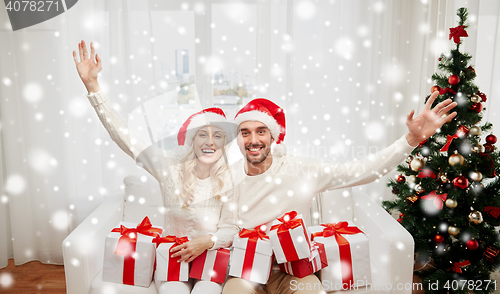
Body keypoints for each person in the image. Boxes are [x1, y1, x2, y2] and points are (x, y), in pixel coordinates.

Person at [223, 94, 457, 294]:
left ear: (272, 136)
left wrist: (411, 140)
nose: (253, 140)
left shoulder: (300, 170)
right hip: (248, 271)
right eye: (245, 133)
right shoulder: (229, 178)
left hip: (293, 272)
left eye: (261, 131)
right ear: (238, 139)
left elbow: (362, 170)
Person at [73, 40, 238, 294]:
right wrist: (93, 87)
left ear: (224, 143)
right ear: (191, 141)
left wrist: (208, 241)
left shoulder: (231, 177)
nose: (210, 141)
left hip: (212, 257)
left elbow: (231, 227)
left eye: (217, 135)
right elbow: (124, 137)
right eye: (202, 135)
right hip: (172, 256)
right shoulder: (169, 167)